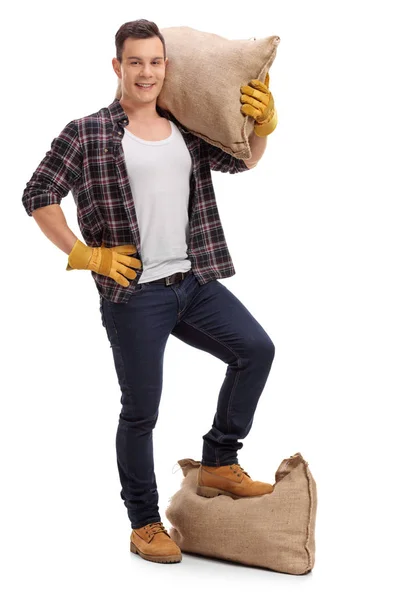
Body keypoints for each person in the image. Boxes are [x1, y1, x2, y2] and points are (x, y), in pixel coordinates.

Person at [22, 19, 278, 565]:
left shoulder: (184, 126)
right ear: (118, 67)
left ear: (167, 67)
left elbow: (244, 160)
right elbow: (38, 193)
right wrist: (83, 253)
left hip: (194, 282)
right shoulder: (87, 132)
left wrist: (263, 126)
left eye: (156, 62)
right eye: (135, 62)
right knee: (141, 413)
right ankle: (143, 522)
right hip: (135, 295)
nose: (147, 72)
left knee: (255, 350)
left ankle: (219, 461)